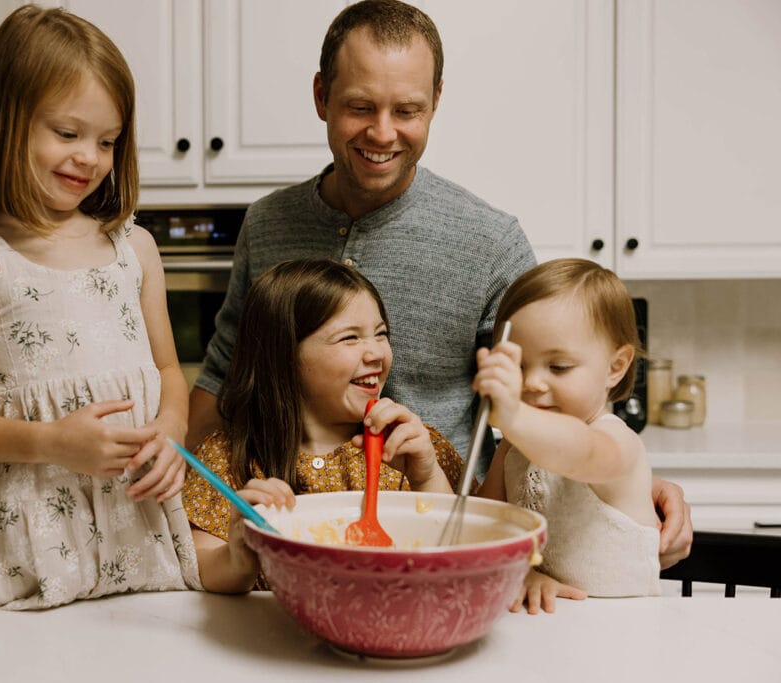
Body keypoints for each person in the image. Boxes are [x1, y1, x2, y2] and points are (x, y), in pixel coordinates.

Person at [185, 0, 692, 569]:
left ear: (437, 102)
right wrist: (179, 483)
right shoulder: (268, 221)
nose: (383, 133)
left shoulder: (490, 240)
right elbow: (225, 374)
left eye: (407, 110)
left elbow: (555, 388)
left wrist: (631, 483)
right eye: (359, 106)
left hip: (442, 535)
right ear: (321, 96)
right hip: (283, 544)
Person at [0, 5, 200, 611]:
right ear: (3, 121)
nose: (90, 158)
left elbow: (171, 372)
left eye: (107, 141)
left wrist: (172, 430)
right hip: (19, 535)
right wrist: (51, 442)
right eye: (67, 134)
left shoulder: (135, 250)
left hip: (135, 523)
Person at [183, 259, 459, 593]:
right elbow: (200, 564)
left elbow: (464, 550)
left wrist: (427, 476)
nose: (376, 352)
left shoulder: (415, 447)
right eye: (350, 338)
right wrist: (236, 558)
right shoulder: (226, 455)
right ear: (285, 355)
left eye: (381, 334)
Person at [475, 258, 661, 613]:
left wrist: (514, 416)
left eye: (558, 367)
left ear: (615, 366)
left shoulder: (618, 444)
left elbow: (580, 452)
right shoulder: (512, 449)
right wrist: (521, 573)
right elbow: (485, 531)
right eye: (517, 366)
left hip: (623, 638)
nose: (531, 383)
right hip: (542, 632)